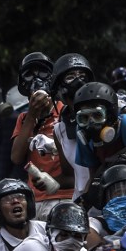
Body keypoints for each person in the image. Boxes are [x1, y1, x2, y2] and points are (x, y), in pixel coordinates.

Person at [10, 52, 74, 220]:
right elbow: (16, 157)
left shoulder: (66, 112)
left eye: (42, 72)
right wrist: (32, 115)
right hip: (36, 199)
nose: (37, 79)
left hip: (66, 195)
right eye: (30, 74)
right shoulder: (24, 118)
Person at [51, 52, 95, 200]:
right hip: (83, 203)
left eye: (82, 76)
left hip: (106, 198)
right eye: (70, 77)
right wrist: (52, 181)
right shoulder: (60, 130)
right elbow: (72, 176)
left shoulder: (103, 119)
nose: (78, 81)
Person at [87, 165, 126, 248]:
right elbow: (88, 233)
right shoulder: (98, 221)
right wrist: (113, 246)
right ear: (105, 198)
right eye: (118, 193)